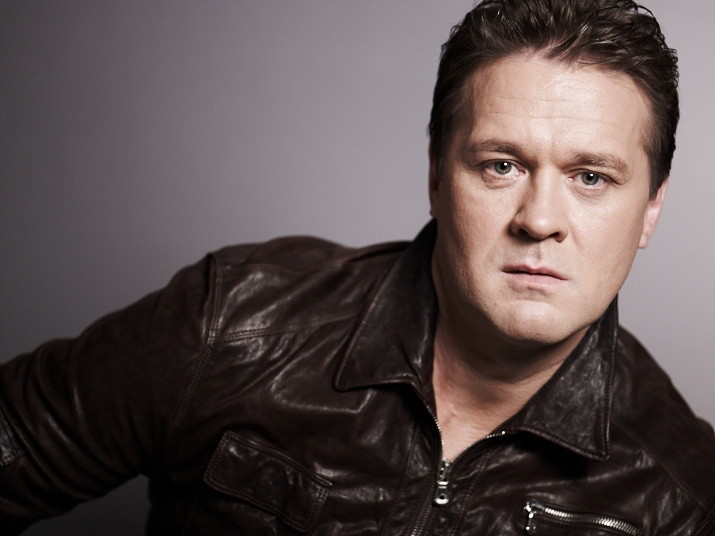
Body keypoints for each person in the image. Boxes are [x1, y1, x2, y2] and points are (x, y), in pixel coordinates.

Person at [1, 0, 714, 534]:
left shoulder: (681, 494)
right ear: (435, 178)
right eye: (501, 165)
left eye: (591, 177)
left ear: (650, 209)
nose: (539, 219)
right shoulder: (236, 322)